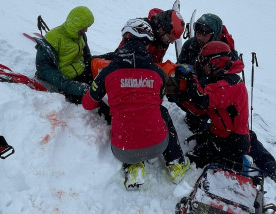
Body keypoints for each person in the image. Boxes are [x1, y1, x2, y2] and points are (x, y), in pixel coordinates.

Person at [82, 19, 189, 190]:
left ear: (126, 38)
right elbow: (162, 97)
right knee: (160, 112)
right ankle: (176, 164)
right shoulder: (157, 72)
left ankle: (133, 167)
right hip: (158, 145)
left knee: (121, 113)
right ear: (146, 43)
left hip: (122, 150)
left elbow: (88, 104)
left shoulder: (109, 71)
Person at [175, 41, 249, 169]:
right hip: (218, 132)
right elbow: (201, 109)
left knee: (194, 160)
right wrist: (179, 99)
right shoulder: (218, 80)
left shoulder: (230, 84)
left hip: (232, 140)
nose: (203, 66)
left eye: (205, 62)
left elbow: (203, 99)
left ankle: (238, 164)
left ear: (217, 62)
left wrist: (191, 77)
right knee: (197, 144)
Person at [34, 6, 110, 123]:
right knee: (94, 98)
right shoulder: (53, 39)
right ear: (76, 25)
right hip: (65, 81)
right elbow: (43, 68)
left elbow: (87, 57)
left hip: (81, 72)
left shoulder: (80, 35)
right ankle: (113, 120)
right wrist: (76, 87)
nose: (86, 30)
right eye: (85, 27)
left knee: (105, 74)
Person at [177, 13, 239, 134]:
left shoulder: (224, 51)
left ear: (214, 33)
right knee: (194, 123)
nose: (200, 37)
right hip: (194, 92)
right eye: (198, 33)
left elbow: (228, 78)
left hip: (213, 97)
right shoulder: (190, 45)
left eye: (205, 34)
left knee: (224, 130)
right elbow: (179, 66)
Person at [98, 9, 185, 64]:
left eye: (173, 40)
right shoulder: (141, 33)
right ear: (161, 29)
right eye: (170, 38)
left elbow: (156, 62)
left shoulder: (162, 38)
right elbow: (123, 58)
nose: (171, 42)